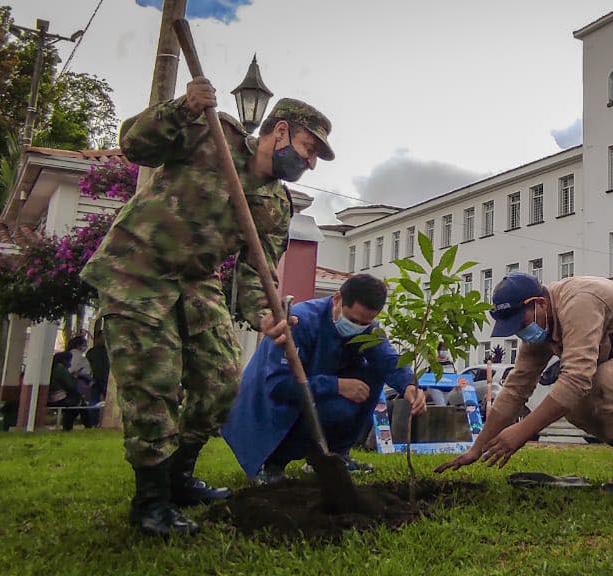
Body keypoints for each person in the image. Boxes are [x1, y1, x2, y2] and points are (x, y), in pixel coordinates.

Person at [80, 75, 336, 537]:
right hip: (136, 269)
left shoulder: (276, 204)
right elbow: (135, 145)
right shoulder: (210, 134)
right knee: (153, 387)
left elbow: (257, 272)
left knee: (221, 383)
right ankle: (151, 503)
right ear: (279, 131)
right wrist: (183, 107)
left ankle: (178, 478)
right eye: (307, 147)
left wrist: (263, 314)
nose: (311, 162)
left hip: (196, 282)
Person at [436, 273, 613, 493]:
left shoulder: (579, 302)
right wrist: (478, 447)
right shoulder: (540, 330)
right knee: (575, 407)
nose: (520, 331)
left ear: (539, 303)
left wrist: (522, 432)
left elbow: (576, 378)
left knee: (602, 383)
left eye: (521, 322)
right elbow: (515, 390)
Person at [223, 275, 426, 485]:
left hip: (315, 392)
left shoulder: (368, 330)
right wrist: (336, 385)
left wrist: (409, 385)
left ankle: (335, 456)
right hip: (266, 404)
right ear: (337, 299)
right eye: (353, 320)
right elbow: (278, 386)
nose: (357, 326)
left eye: (364, 323)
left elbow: (388, 359)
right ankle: (271, 463)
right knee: (328, 404)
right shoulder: (299, 322)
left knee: (371, 376)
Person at [48, 352, 93, 431]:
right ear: (65, 360)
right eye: (69, 361)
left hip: (52, 397)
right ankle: (85, 426)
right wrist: (74, 378)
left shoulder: (53, 368)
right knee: (78, 404)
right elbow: (71, 386)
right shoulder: (61, 370)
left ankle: (82, 426)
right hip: (58, 398)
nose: (70, 363)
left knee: (78, 403)